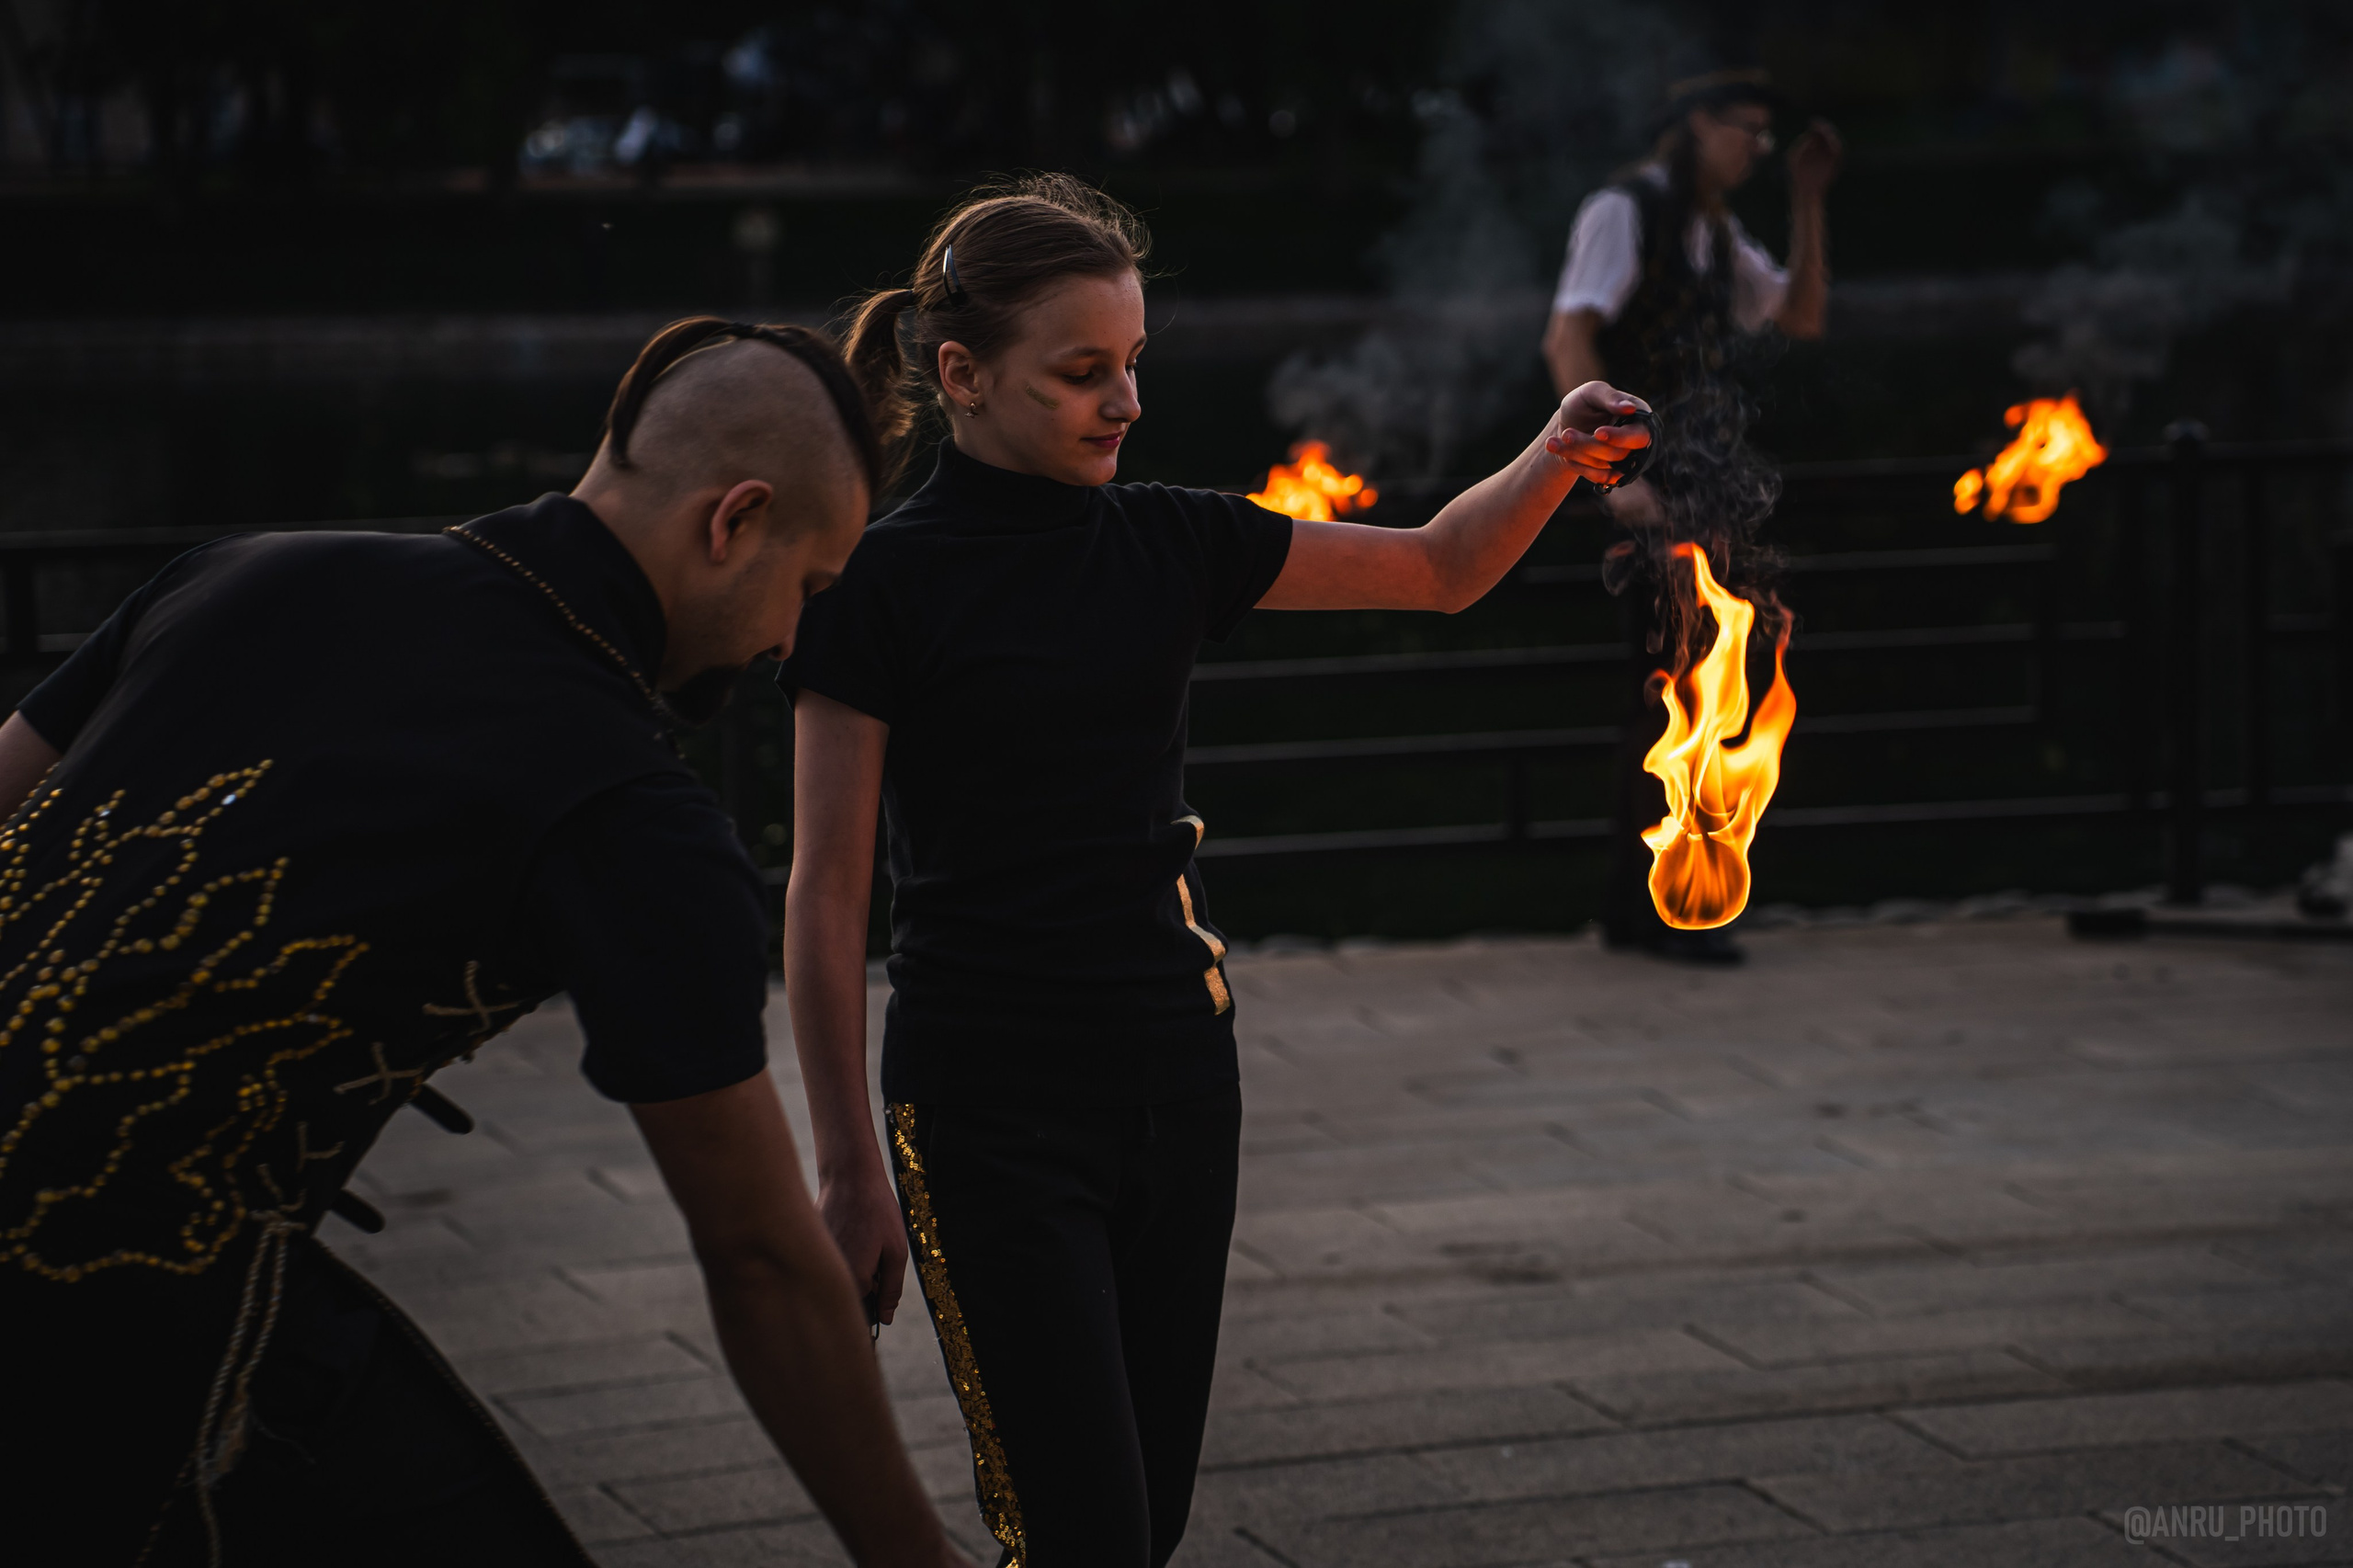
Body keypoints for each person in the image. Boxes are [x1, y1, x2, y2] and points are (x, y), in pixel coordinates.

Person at [0, 318, 972, 1568]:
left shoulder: (241, 570)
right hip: (103, 1312)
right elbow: (762, 1255)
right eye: (811, 591)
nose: (794, 640)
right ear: (732, 521)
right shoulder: (625, 805)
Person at [780, 175, 1653, 1567]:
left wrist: (1554, 451)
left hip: (1179, 1081)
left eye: (1131, 365)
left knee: (1146, 1524)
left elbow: (1436, 569)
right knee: (1086, 1534)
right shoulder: (878, 589)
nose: (1125, 403)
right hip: (985, 1101)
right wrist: (842, 1163)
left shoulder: (1174, 538)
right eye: (1081, 374)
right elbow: (825, 894)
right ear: (961, 373)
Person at [1540, 65, 1841, 963]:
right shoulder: (1622, 210)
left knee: (1694, 686)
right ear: (1694, 125)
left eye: (1761, 134)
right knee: (1661, 694)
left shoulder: (1716, 230)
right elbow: (1567, 334)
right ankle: (1647, 908)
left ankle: (1657, 903)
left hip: (1702, 492)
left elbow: (1801, 316)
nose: (1754, 146)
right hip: (1642, 490)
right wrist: (1606, 469)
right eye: (1742, 130)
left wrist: (1808, 198)